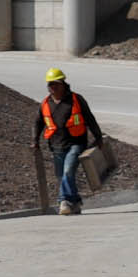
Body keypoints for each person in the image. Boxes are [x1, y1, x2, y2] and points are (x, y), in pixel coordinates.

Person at [36, 68, 101, 216]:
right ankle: (76, 202)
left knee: (67, 172)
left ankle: (63, 201)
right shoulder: (45, 103)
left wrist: (98, 137)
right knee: (61, 176)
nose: (53, 87)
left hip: (76, 143)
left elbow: (90, 118)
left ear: (63, 84)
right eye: (50, 85)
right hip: (56, 145)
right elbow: (38, 123)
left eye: (56, 84)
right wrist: (35, 141)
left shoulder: (76, 99)